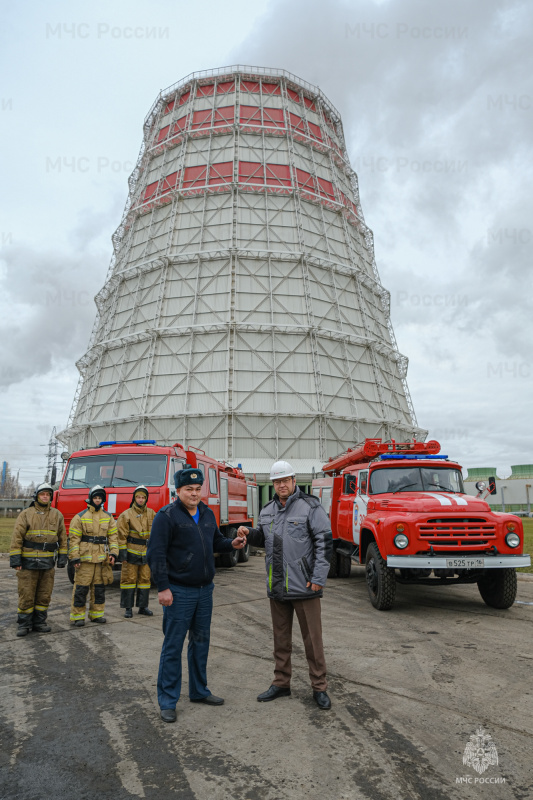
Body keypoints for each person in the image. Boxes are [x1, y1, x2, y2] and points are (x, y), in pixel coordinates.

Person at [147, 466, 246, 723]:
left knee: (200, 643)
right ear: (177, 491)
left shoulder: (206, 513)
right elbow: (155, 554)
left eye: (197, 489)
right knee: (173, 647)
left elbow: (215, 543)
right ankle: (168, 701)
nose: (194, 494)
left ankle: (199, 691)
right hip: (179, 592)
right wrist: (164, 587)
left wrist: (231, 544)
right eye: (188, 489)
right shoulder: (166, 516)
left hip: (205, 591)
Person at [237, 460, 333, 710]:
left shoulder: (311, 507)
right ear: (274, 484)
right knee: (280, 640)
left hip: (305, 586)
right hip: (277, 585)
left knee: (313, 641)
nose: (281, 485)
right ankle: (281, 683)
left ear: (293, 481)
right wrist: (249, 534)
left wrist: (318, 579)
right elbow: (264, 538)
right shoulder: (267, 510)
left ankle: (319, 687)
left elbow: (324, 543)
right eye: (277, 481)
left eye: (285, 480)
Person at [9, 483, 68, 637]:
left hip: (47, 564)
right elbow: (17, 538)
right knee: (26, 594)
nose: (45, 497)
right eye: (42, 494)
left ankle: (39, 622)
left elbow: (63, 538)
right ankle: (24, 624)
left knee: (44, 594)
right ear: (36, 496)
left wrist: (63, 556)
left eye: (48, 494)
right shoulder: (26, 514)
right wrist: (16, 559)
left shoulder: (57, 515)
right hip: (28, 564)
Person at [68, 485, 119, 626]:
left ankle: (96, 615)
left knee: (99, 590)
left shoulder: (108, 517)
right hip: (84, 560)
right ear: (90, 498)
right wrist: (75, 557)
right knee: (81, 589)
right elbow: (74, 540)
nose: (97, 500)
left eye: (100, 498)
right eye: (95, 498)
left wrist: (114, 553)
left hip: (101, 561)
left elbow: (114, 537)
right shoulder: (80, 517)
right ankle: (77, 617)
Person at [117, 485, 155, 618]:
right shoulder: (126, 515)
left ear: (146, 499)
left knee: (145, 580)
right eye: (138, 497)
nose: (140, 499)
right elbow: (121, 536)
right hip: (131, 552)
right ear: (134, 498)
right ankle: (128, 608)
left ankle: (143, 607)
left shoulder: (152, 513)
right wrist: (122, 553)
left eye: (143, 497)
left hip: (146, 552)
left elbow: (156, 534)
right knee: (129, 579)